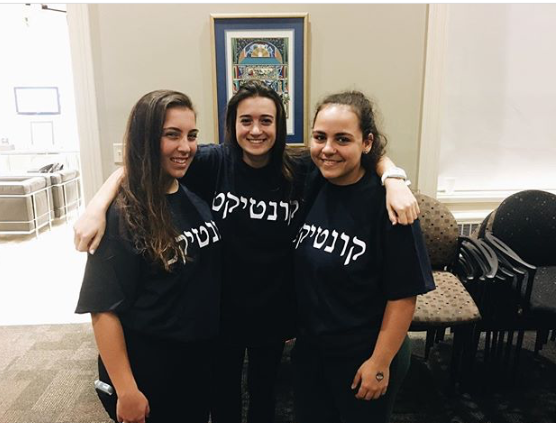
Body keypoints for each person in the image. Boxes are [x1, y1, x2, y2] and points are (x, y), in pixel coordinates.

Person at [73, 81, 420, 423]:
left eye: (266, 120)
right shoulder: (212, 162)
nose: (256, 130)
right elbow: (144, 162)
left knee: (264, 394)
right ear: (232, 124)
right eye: (246, 120)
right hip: (219, 315)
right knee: (223, 394)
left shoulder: (300, 168)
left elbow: (358, 149)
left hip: (274, 312)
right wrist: (97, 205)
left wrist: (393, 177)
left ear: (279, 126)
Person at [75, 90, 221, 423]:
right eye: (172, 135)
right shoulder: (122, 216)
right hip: (150, 370)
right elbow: (103, 310)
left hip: (196, 362)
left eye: (191, 135)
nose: (185, 146)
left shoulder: (189, 192)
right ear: (146, 138)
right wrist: (126, 390)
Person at [291, 90, 435, 423]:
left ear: (367, 142)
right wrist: (392, 172)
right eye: (320, 137)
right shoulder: (313, 180)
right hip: (311, 350)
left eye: (342, 139)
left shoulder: (391, 207)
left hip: (364, 355)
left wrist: (379, 363)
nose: (328, 149)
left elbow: (403, 297)